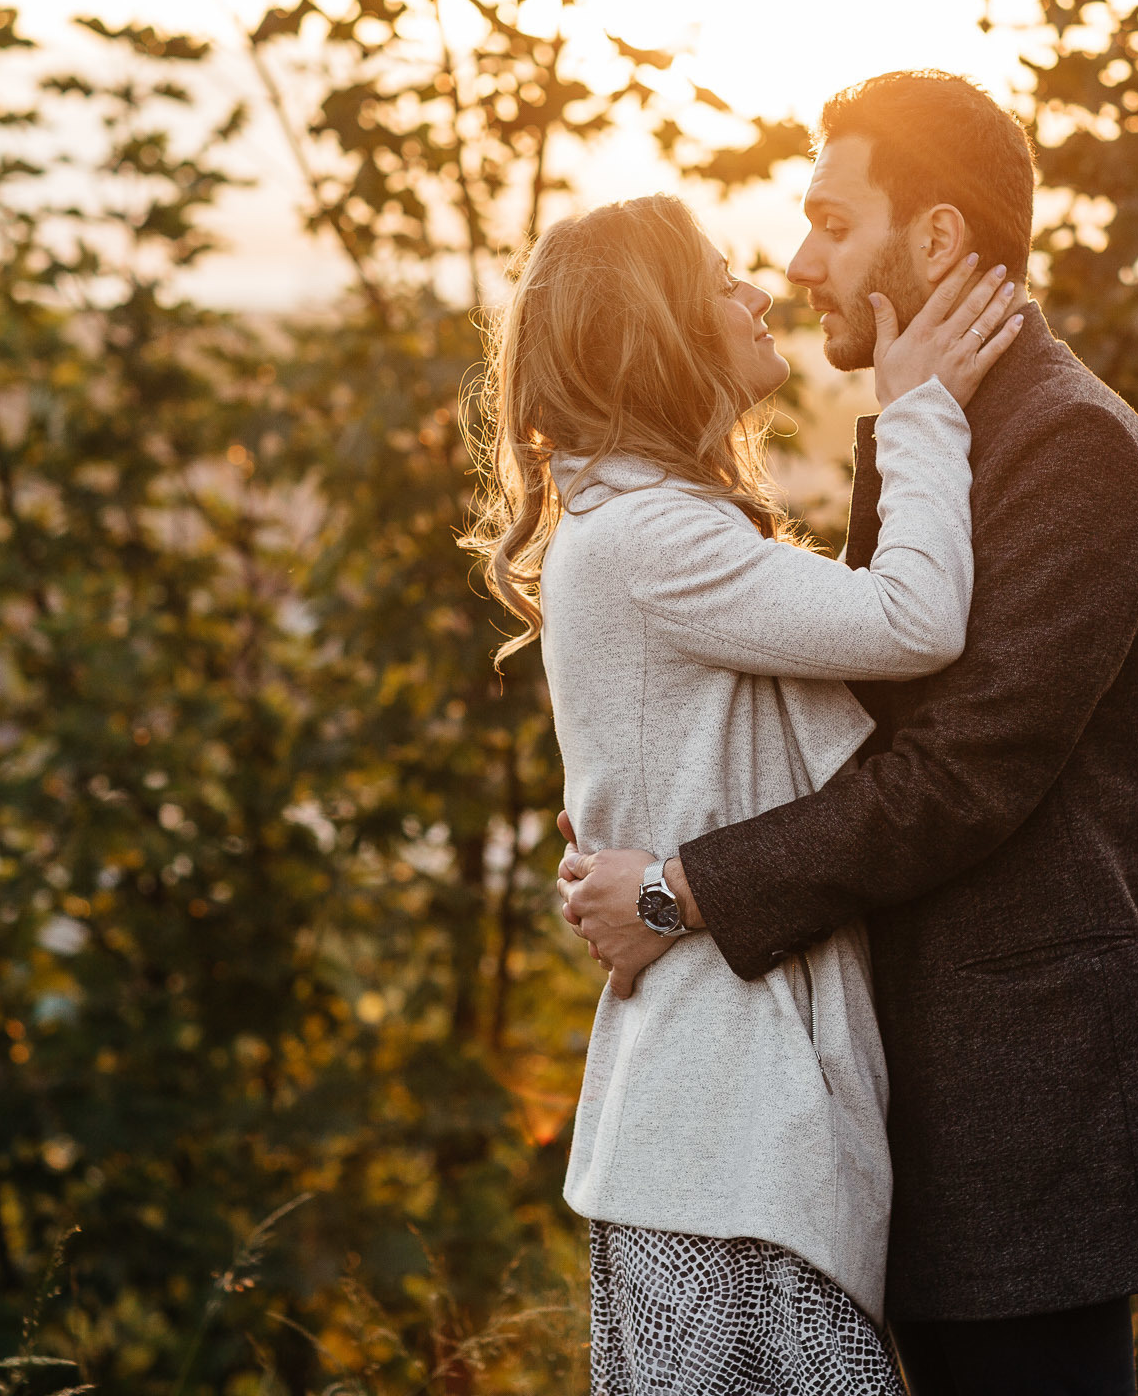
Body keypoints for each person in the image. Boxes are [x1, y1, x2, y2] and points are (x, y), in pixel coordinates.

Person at [559, 72, 1138, 1396]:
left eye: (834, 223)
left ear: (936, 240)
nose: (799, 263)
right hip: (930, 1107)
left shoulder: (1071, 450)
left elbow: (955, 778)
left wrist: (685, 887)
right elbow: (859, 717)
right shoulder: (940, 440)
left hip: (1034, 1110)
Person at [465, 190, 1026, 1395]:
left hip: (725, 1137)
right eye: (720, 282)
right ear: (653, 329)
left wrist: (654, 882)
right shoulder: (651, 537)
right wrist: (920, 415)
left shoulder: (641, 530)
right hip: (723, 1143)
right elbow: (915, 620)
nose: (758, 289)